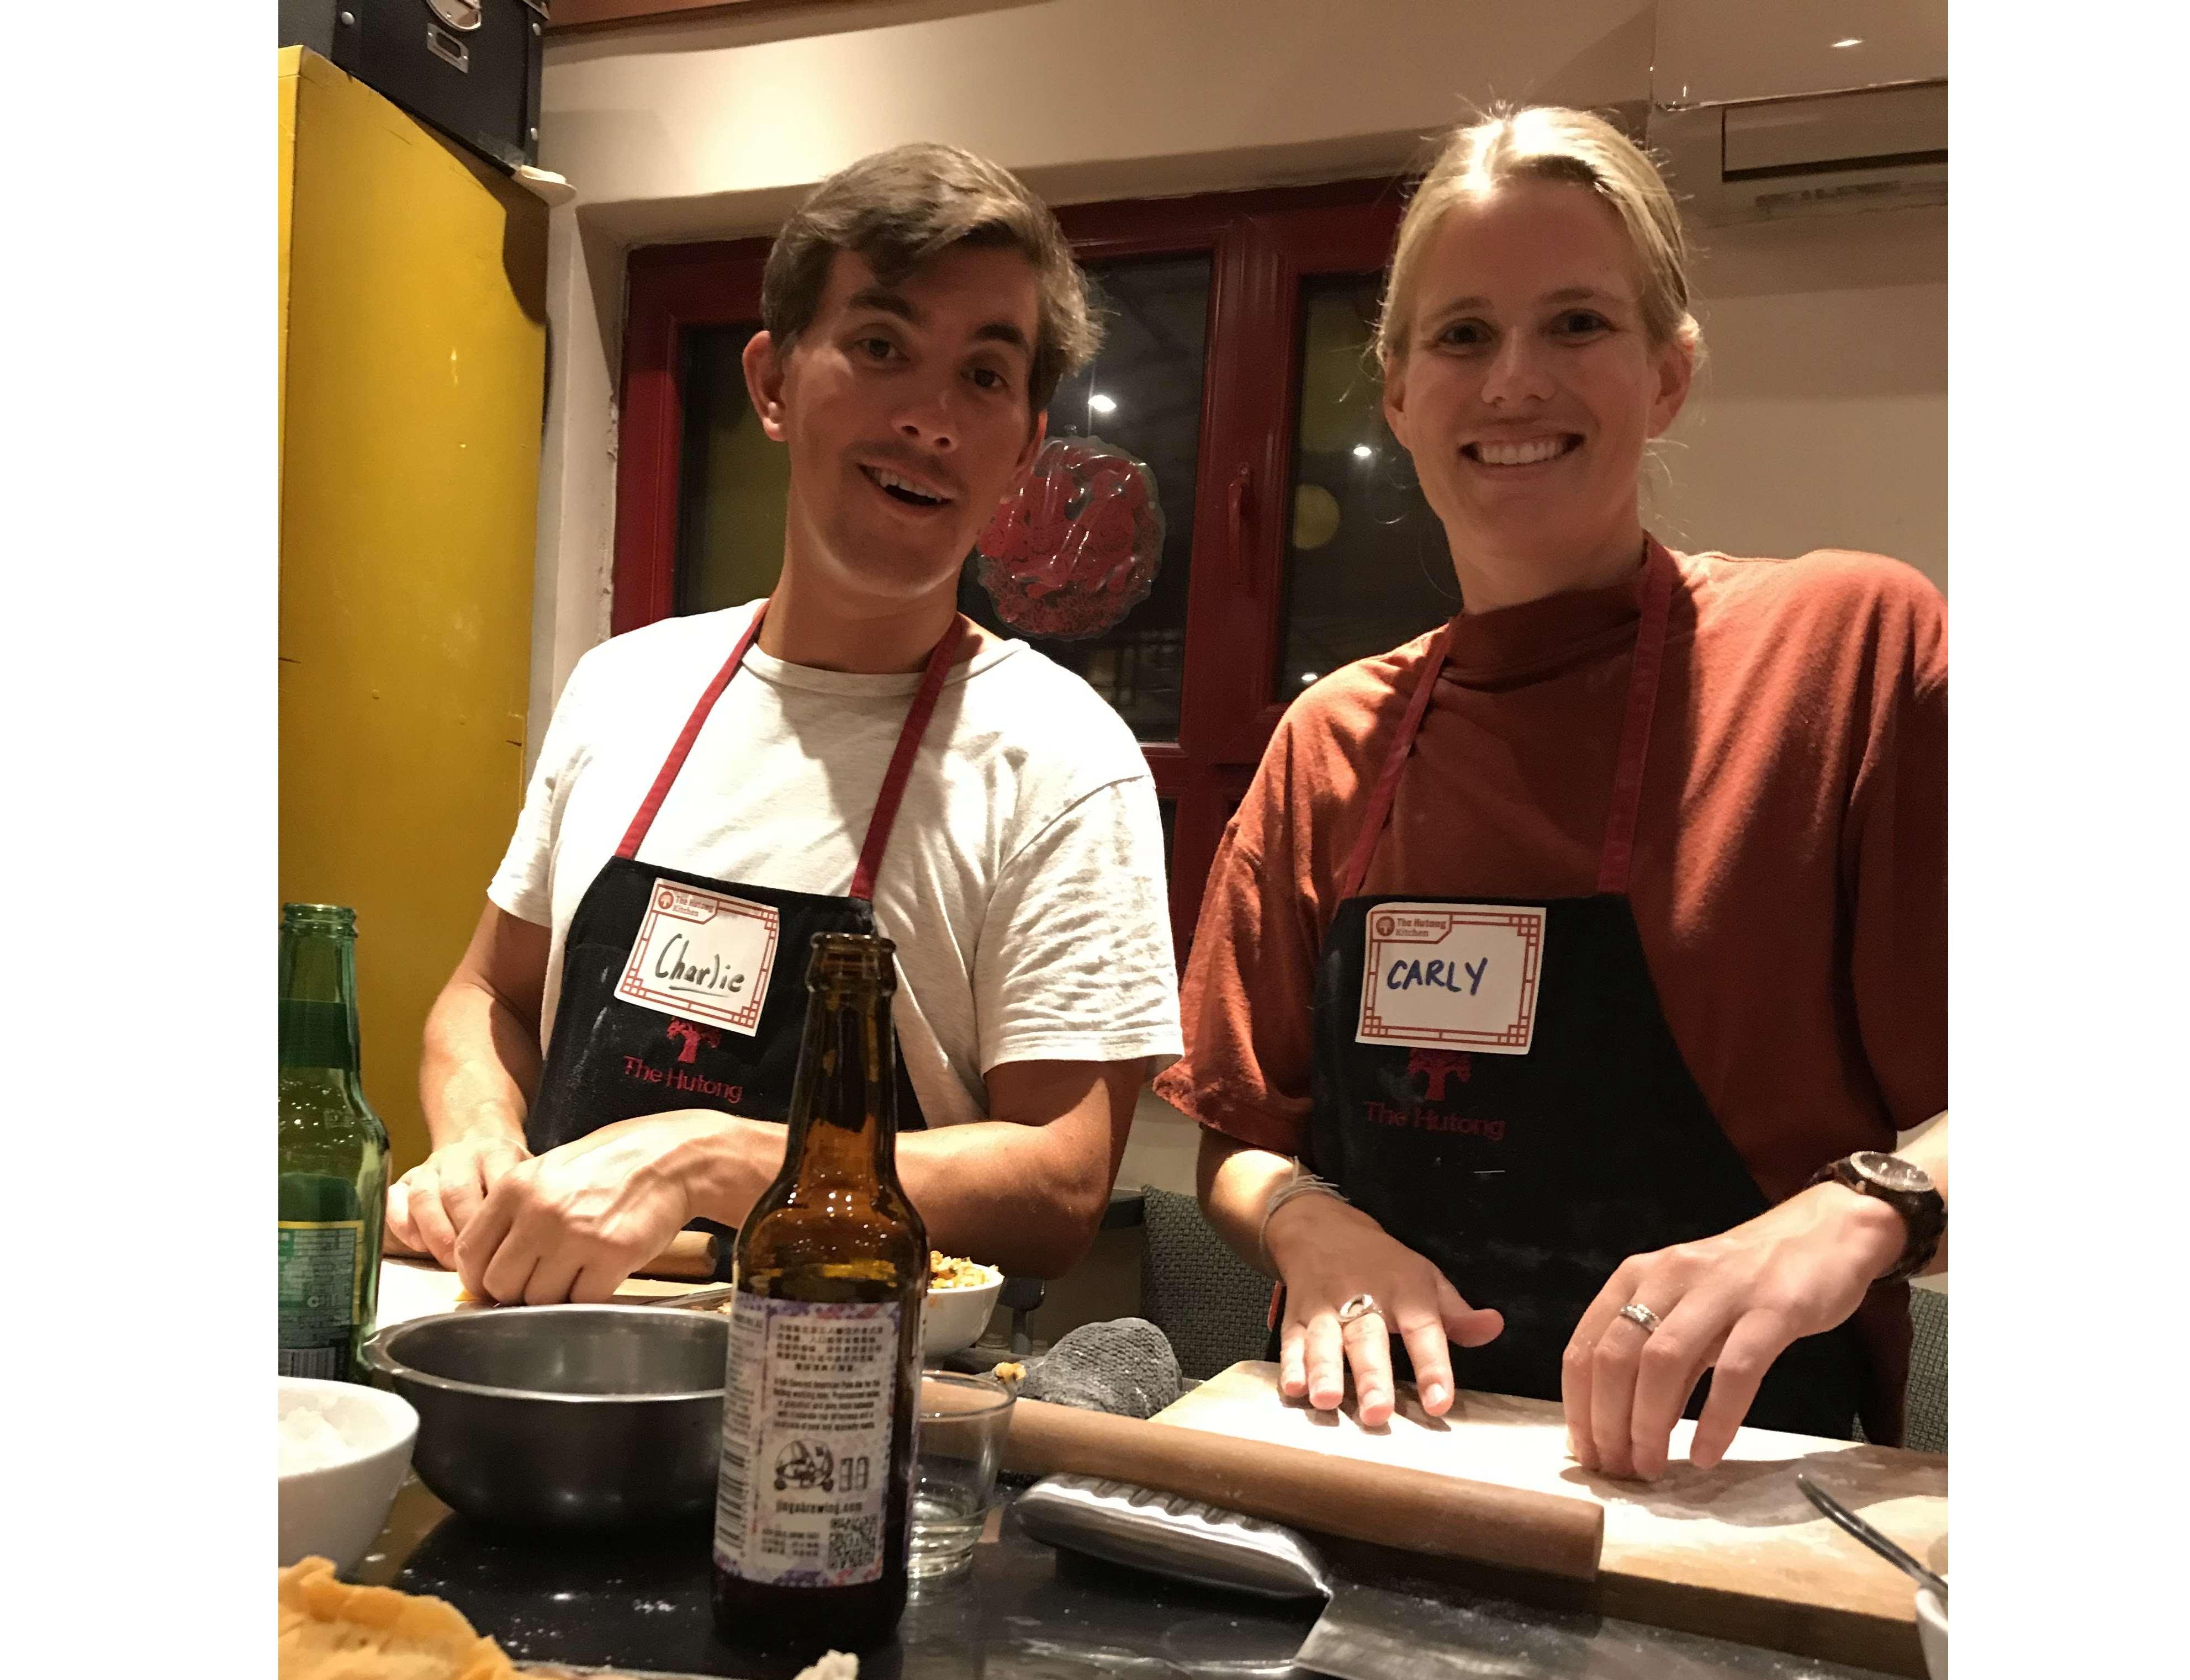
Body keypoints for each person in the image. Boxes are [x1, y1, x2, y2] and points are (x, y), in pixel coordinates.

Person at [1155, 108, 1946, 1482]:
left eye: (1576, 324)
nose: (1514, 381)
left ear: (1671, 375)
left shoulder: (1849, 654)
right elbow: (1238, 1139)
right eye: (1463, 335)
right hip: (1377, 1470)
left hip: (1730, 1498)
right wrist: (1301, 1221)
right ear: (1398, 392)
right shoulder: (1330, 742)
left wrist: (1868, 1205)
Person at [385, 144, 1182, 1302]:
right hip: (539, 1354)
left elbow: (1059, 1186)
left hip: (844, 1407)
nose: (931, 418)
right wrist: (476, 1142)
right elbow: (485, 998)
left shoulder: (1060, 763)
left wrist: (703, 1157)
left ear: (1020, 447)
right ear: (771, 383)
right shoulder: (624, 689)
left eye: (984, 378)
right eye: (880, 348)